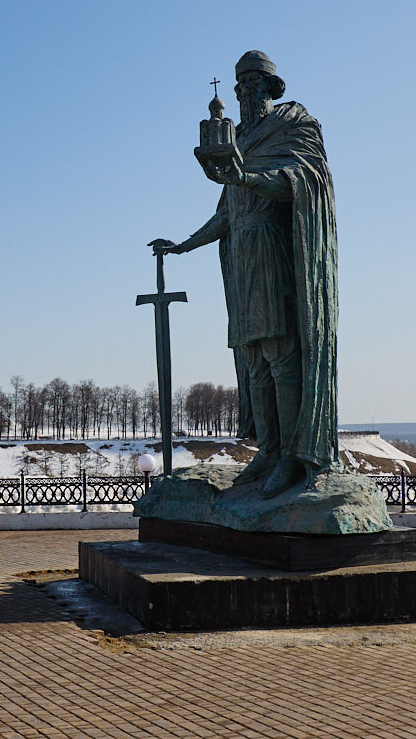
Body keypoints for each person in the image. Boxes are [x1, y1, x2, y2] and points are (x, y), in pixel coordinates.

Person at [151, 50, 340, 498]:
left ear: (271, 87)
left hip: (274, 249)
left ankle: (293, 455)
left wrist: (247, 178)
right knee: (253, 360)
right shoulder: (236, 140)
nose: (243, 94)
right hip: (242, 258)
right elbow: (227, 215)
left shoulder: (292, 125)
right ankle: (269, 451)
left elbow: (300, 181)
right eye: (240, 88)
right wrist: (184, 245)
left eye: (253, 85)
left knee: (279, 354)